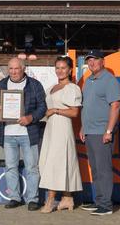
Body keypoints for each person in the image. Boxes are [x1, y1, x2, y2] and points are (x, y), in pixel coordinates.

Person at [0, 58, 46, 211]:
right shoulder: (2, 84)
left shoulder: (34, 85)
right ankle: (14, 197)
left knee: (32, 168)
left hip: (28, 133)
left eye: (17, 68)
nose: (13, 72)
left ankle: (33, 199)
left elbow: (42, 107)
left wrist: (30, 118)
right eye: (10, 68)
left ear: (23, 69)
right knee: (10, 167)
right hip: (8, 133)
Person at [79, 50, 120, 216]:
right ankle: (99, 201)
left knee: (103, 169)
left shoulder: (109, 80)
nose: (91, 63)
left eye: (95, 60)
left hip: (102, 132)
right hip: (90, 131)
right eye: (89, 60)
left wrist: (109, 131)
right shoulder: (88, 80)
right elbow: (88, 107)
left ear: (102, 61)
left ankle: (106, 205)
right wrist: (83, 127)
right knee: (95, 169)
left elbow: (115, 105)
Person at [39, 56, 82, 213]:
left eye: (63, 67)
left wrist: (56, 110)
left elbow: (75, 112)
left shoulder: (73, 88)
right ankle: (67, 198)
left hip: (63, 128)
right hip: (51, 127)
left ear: (70, 70)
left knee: (55, 162)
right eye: (57, 67)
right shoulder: (51, 87)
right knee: (57, 161)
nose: (60, 70)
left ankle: (50, 200)